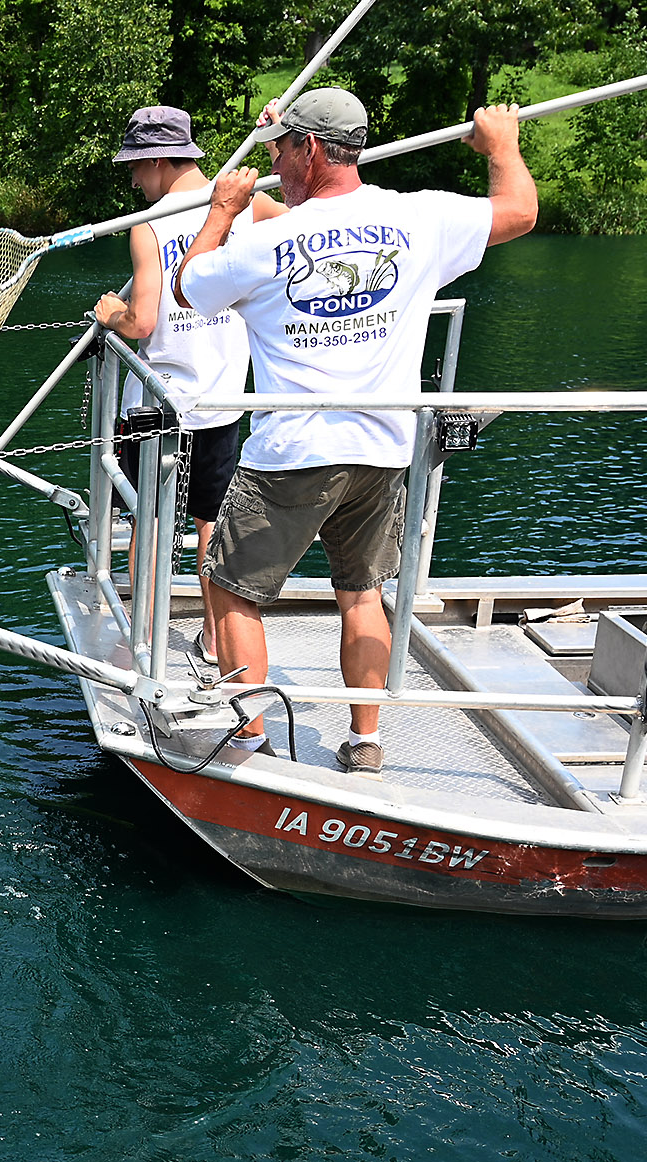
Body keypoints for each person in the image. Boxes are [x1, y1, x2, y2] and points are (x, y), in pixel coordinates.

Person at [172, 88, 538, 771]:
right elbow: (520, 210)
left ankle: (248, 735)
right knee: (361, 592)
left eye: (283, 150)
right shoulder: (417, 217)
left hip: (293, 453)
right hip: (382, 449)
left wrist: (222, 212)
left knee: (230, 587)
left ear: (311, 149)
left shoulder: (268, 240)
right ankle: (366, 740)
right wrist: (504, 146)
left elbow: (189, 287)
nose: (276, 163)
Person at [94, 106, 286, 665]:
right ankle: (211, 637)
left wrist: (113, 313)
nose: (133, 180)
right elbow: (315, 208)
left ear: (156, 159)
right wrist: (277, 142)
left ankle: (144, 634)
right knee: (210, 525)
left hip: (155, 409)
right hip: (219, 404)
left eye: (135, 167)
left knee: (146, 521)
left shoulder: (149, 225)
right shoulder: (253, 210)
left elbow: (145, 323)